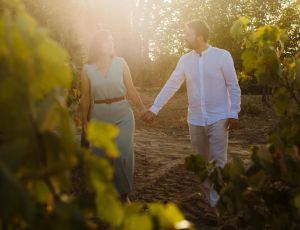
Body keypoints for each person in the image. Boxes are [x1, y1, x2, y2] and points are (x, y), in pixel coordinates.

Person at [143, 19, 241, 208]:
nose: (185, 37)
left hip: (219, 117)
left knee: (219, 162)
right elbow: (172, 84)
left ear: (199, 35)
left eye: (188, 33)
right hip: (195, 119)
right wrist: (155, 108)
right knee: (201, 165)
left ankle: (218, 207)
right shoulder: (185, 60)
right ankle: (211, 200)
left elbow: (233, 85)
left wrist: (233, 112)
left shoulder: (222, 56)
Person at [80, 29, 147, 202]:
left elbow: (131, 89)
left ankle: (124, 195)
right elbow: (86, 97)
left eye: (112, 40)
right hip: (99, 117)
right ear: (97, 45)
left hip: (122, 114)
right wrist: (84, 121)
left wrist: (141, 109)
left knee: (122, 153)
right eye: (106, 41)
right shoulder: (86, 69)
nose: (111, 44)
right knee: (101, 157)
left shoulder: (121, 63)